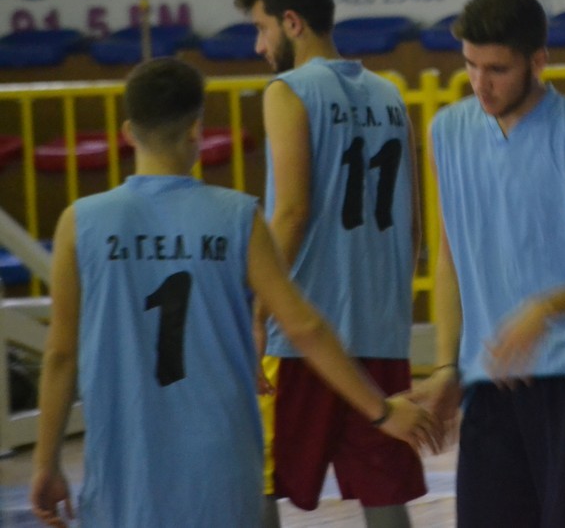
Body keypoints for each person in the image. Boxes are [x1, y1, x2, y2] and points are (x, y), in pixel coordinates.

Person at [29, 58, 438, 528]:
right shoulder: (238, 217)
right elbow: (304, 327)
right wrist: (380, 411)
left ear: (127, 132)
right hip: (220, 459)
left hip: (124, 459)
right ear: (196, 131)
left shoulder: (79, 223)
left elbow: (60, 355)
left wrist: (45, 462)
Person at [412, 0, 565, 528]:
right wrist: (447, 365)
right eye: (470, 65)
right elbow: (451, 259)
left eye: (497, 69)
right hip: (490, 383)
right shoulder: (446, 131)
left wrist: (543, 308)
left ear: (538, 61)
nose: (480, 83)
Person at [234, 0, 425, 528]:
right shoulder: (390, 95)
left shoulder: (288, 91)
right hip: (380, 330)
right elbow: (412, 225)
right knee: (383, 494)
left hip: (304, 336)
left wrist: (258, 309)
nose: (258, 46)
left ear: (292, 22)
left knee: (256, 479)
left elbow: (291, 213)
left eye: (262, 28)